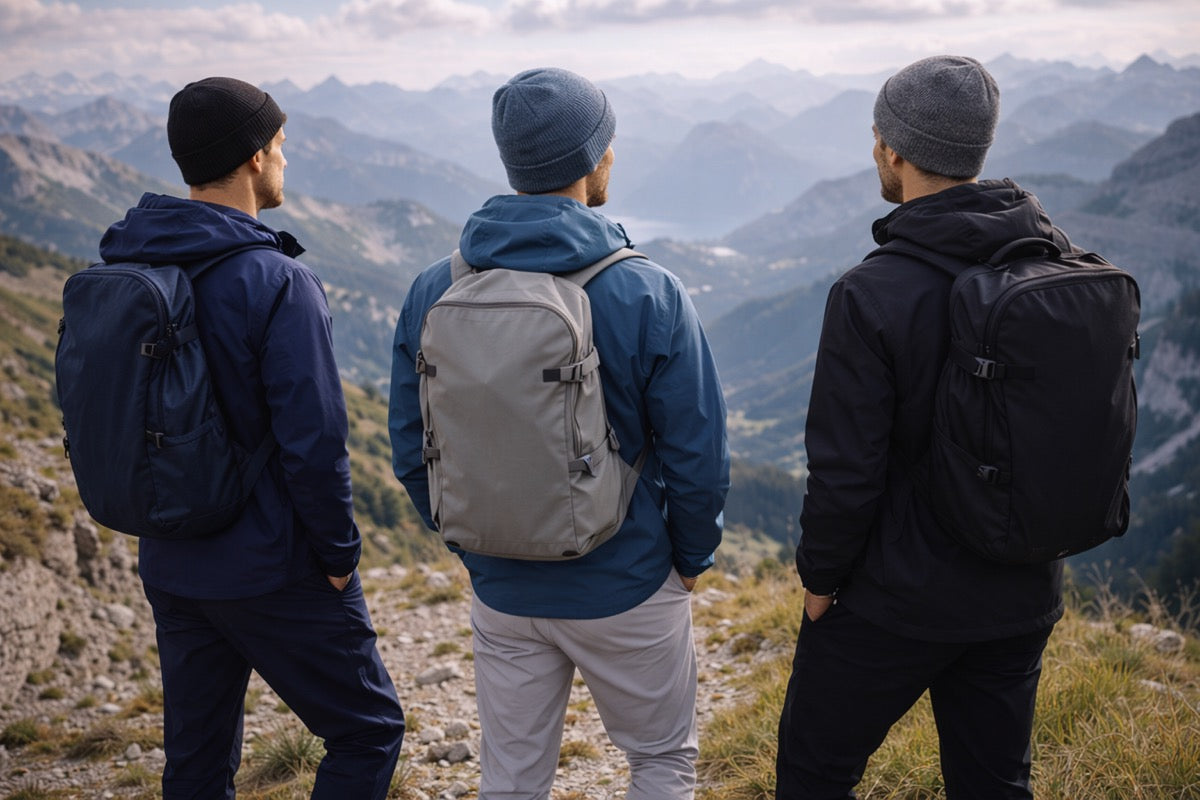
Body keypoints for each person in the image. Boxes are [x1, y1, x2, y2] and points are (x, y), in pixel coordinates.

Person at [389, 67, 730, 799]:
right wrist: (690, 557)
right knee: (661, 762)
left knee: (511, 778)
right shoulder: (646, 288)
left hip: (503, 591)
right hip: (628, 580)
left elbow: (409, 447)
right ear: (594, 157)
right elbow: (698, 453)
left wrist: (476, 543)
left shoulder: (435, 287)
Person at [98, 77, 405, 799]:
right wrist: (338, 556)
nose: (286, 162)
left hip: (172, 560)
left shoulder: (132, 262)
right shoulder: (276, 281)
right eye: (283, 147)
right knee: (367, 731)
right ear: (256, 157)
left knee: (198, 764)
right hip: (271, 563)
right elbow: (316, 441)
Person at [775, 56, 1068, 798]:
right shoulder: (1051, 264)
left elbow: (846, 470)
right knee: (995, 784)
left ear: (893, 152)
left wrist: (820, 583)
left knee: (813, 773)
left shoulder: (870, 292)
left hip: (894, 598)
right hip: (1019, 590)